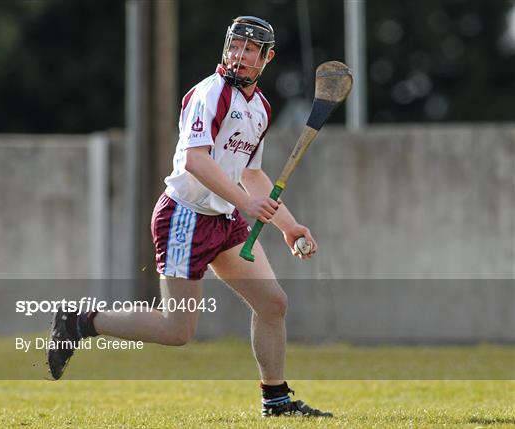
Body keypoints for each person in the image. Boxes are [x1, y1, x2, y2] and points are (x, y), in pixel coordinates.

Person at [47, 16, 332, 418]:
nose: (238, 55)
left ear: (267, 58)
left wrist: (289, 225)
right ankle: (80, 322)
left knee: (272, 304)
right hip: (184, 216)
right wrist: (246, 204)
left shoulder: (261, 108)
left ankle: (277, 401)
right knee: (177, 330)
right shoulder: (210, 94)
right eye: (235, 45)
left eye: (250, 49)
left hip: (224, 219)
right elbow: (196, 162)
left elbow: (250, 174)